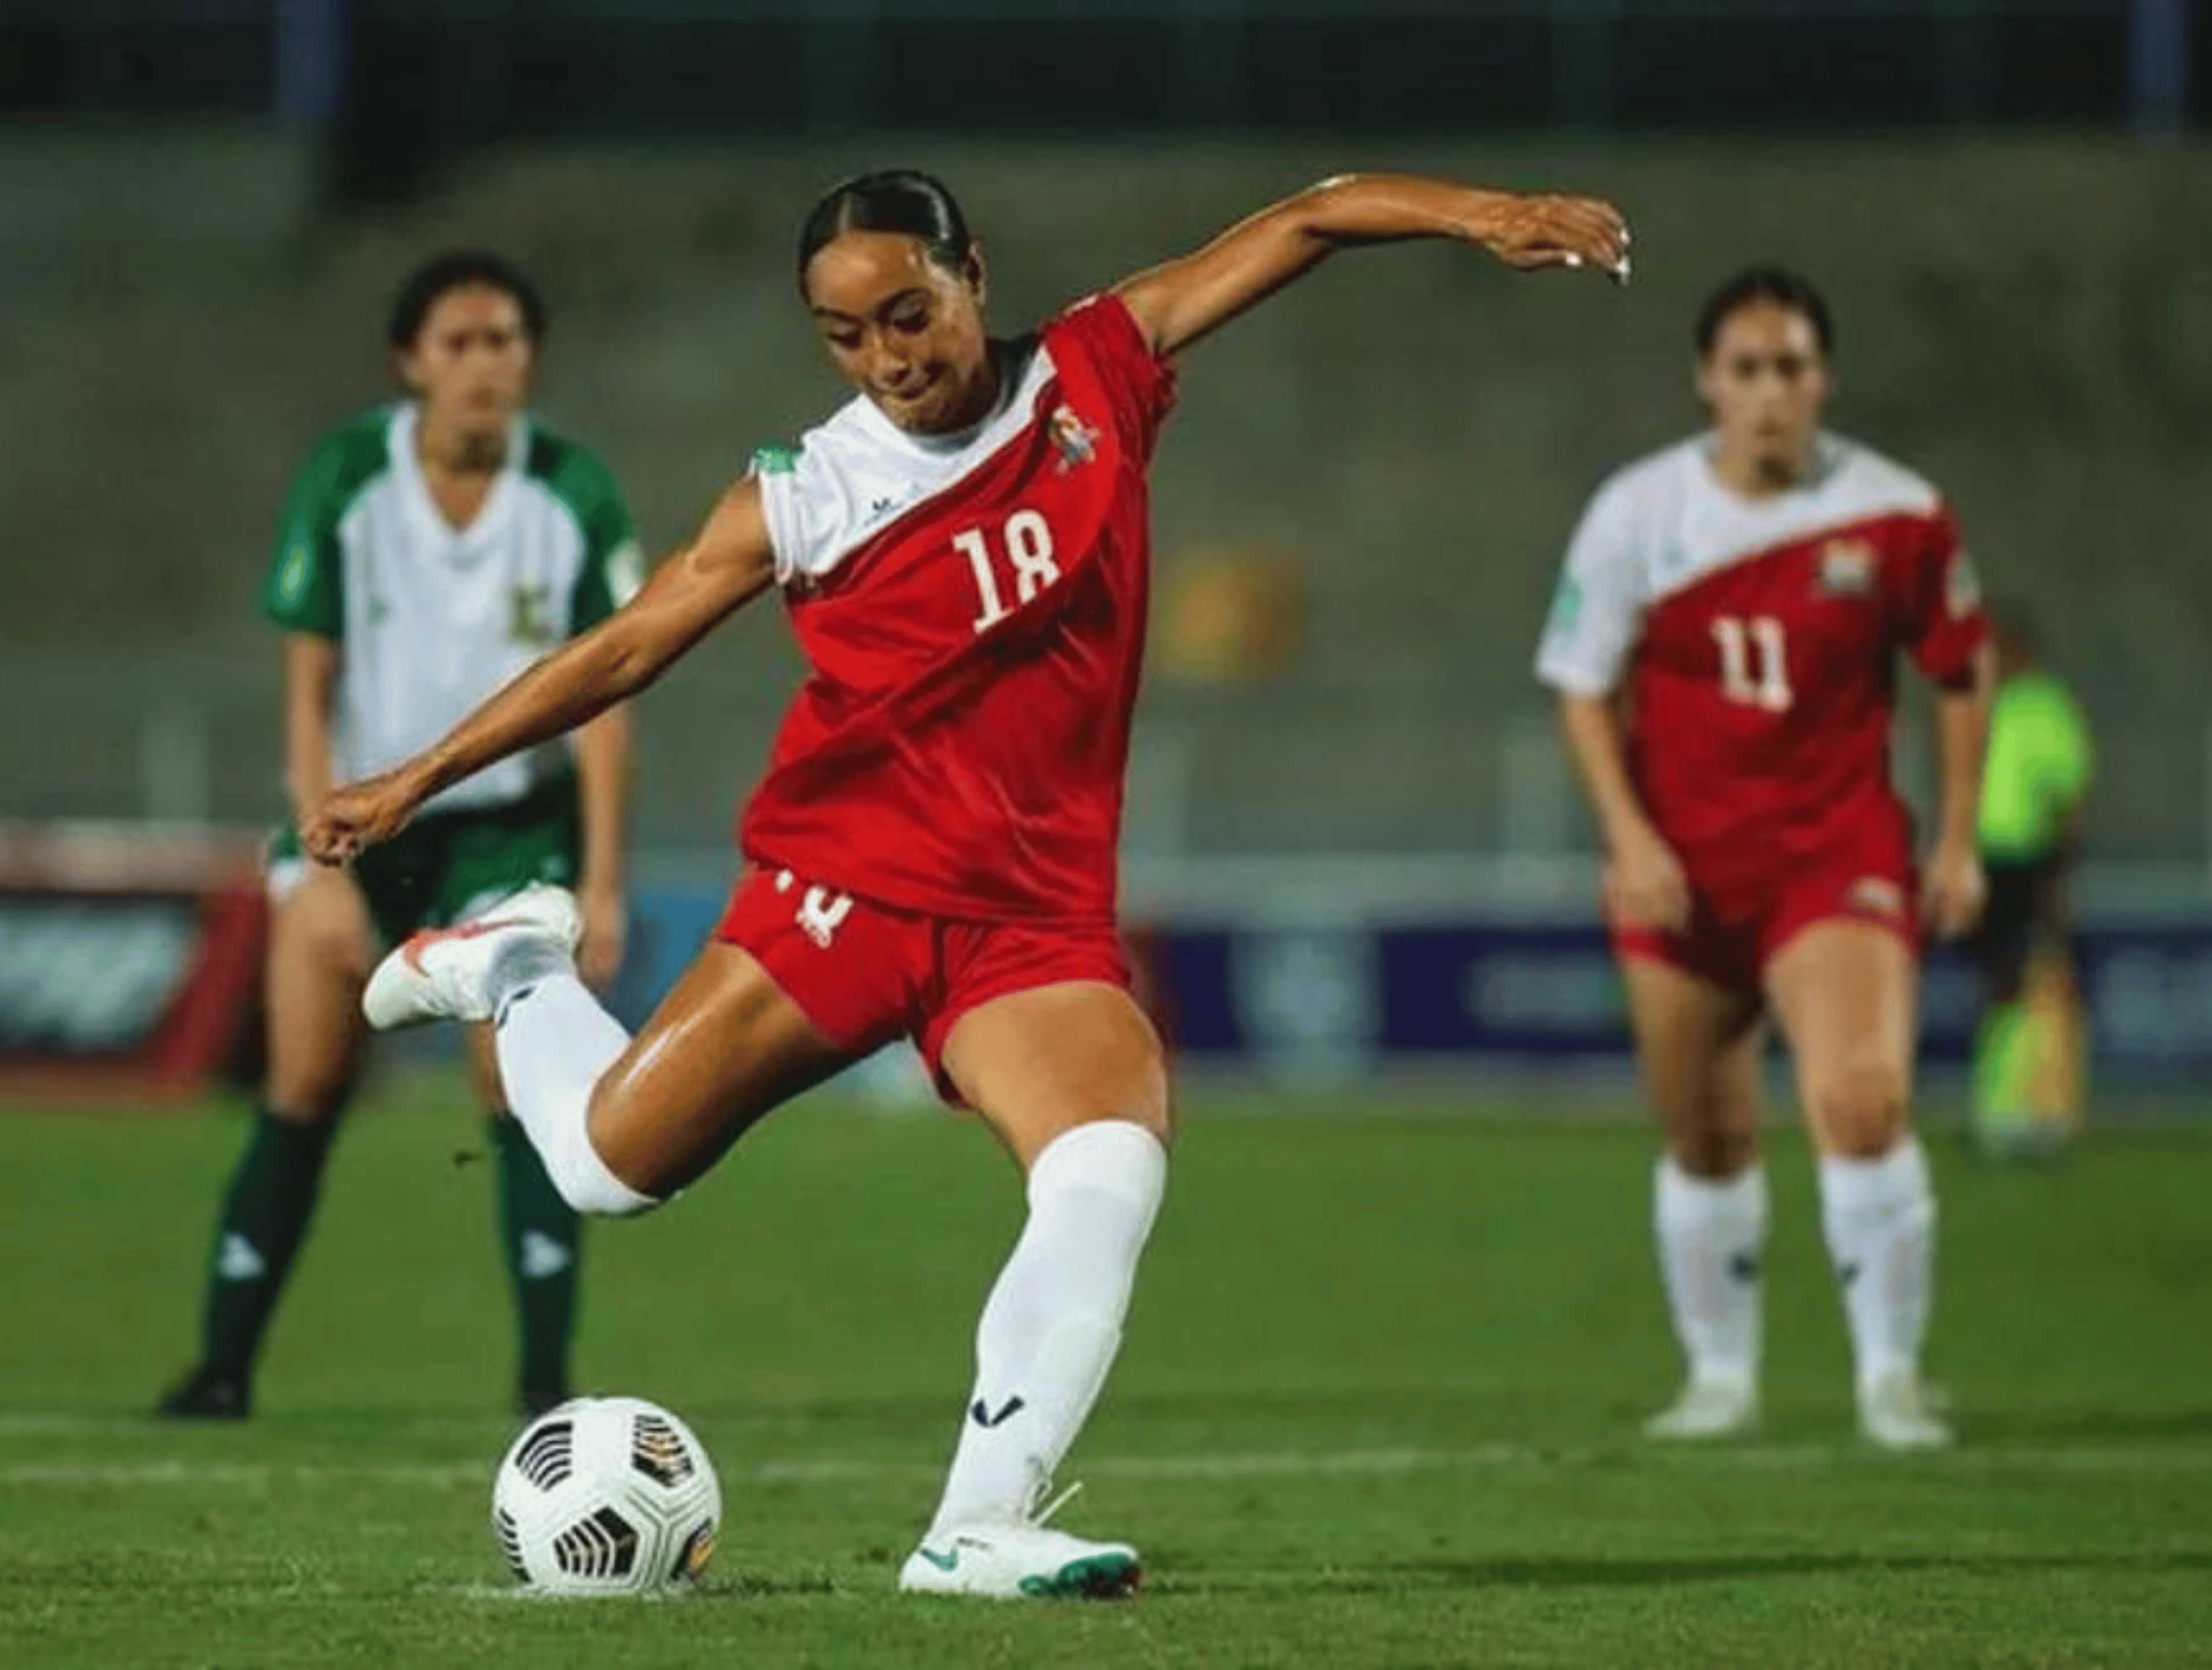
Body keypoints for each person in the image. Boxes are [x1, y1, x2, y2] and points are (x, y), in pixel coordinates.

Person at [301, 167, 1628, 1598]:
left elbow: (1304, 219)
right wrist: (411, 779)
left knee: (1107, 1164)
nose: (888, 357)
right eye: (846, 334)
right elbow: (621, 650)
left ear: (971, 275)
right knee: (603, 1173)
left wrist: (1479, 214)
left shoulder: (1096, 370)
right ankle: (517, 970)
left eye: (907, 313)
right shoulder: (808, 491)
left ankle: (976, 1523)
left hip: (1030, 922)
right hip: (842, 895)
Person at [157, 251, 641, 1422]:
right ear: (411, 362)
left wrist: (607, 879)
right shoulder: (347, 477)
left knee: (515, 1088)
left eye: (507, 341)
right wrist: (320, 848)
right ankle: (223, 1368)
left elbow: (609, 698)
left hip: (510, 832)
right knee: (307, 1079)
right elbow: (308, 686)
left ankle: (542, 1383)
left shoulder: (573, 493)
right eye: (461, 342)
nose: (486, 364)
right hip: (360, 823)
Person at [1535, 267, 1994, 1451]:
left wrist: (1954, 837)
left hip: (1832, 852)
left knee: (1860, 1095)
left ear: (1822, 379)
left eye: (1791, 367)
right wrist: (1629, 840)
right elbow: (1581, 687)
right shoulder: (1639, 512)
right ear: (1708, 383)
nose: (1770, 392)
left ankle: (1891, 1375)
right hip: (1680, 867)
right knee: (1705, 1130)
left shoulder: (1898, 514)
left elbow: (1960, 668)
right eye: (1747, 369)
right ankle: (1720, 1377)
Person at [1967, 601, 2093, 1158]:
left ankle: (2032, 1109)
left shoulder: (2046, 708)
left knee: (2030, 979)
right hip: (1983, 860)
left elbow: (2067, 795)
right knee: (2002, 981)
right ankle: (2003, 1107)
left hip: (2027, 859)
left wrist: (2056, 871)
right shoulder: (1982, 705)